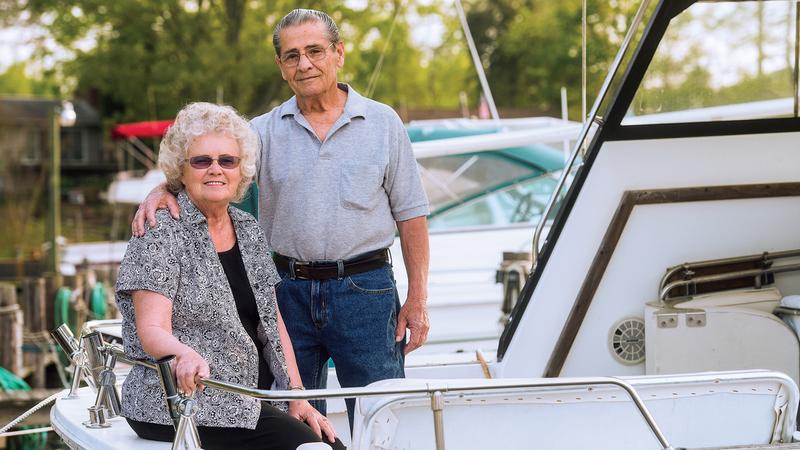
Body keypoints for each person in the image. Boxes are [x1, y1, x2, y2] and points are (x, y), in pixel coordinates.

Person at [132, 9, 431, 426]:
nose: (304, 63)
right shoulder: (261, 131)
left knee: (381, 414)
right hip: (286, 292)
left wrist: (417, 299)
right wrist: (164, 187)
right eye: (291, 56)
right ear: (281, 66)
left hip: (365, 291)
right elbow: (211, 167)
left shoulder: (383, 123)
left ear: (338, 53)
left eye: (314, 51)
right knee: (295, 418)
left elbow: (412, 216)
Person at [117, 102, 344, 450]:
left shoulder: (248, 229)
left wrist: (297, 396)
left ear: (241, 171)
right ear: (181, 168)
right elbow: (151, 331)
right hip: (179, 403)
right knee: (312, 448)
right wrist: (184, 354)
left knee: (323, 440)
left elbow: (272, 322)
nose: (215, 170)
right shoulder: (160, 231)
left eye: (227, 160)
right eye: (201, 161)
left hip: (245, 398)